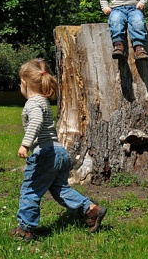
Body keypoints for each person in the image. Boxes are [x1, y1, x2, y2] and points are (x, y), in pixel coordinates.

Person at [10, 58, 107, 240]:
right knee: (60, 189)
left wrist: (25, 143)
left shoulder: (32, 103)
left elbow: (37, 121)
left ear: (24, 82)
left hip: (45, 153)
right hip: (59, 153)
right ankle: (90, 210)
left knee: (30, 190)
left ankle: (26, 229)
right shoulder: (44, 101)